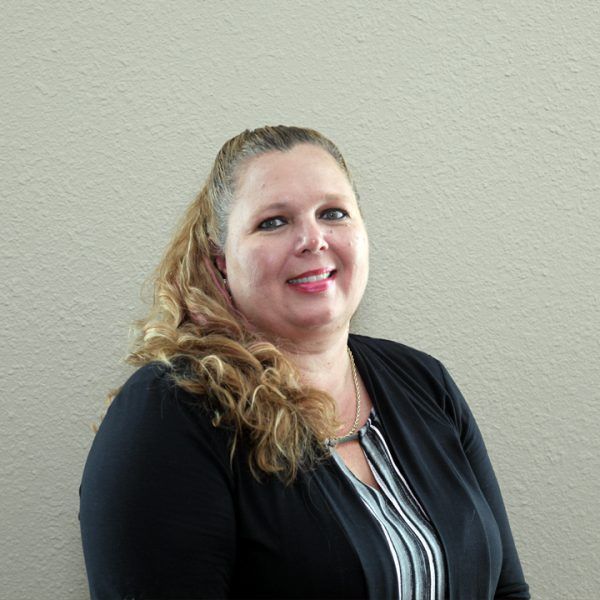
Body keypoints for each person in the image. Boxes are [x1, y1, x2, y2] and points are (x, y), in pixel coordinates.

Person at [79, 125, 529, 599]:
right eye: (273, 222)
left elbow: (506, 588)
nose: (313, 239)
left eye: (333, 213)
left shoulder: (423, 380)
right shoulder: (172, 410)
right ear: (220, 264)